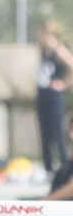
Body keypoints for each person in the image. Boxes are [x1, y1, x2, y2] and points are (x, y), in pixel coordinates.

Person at [36, 20, 73, 175]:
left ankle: (64, 166)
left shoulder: (59, 49)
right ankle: (48, 167)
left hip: (54, 96)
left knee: (57, 132)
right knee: (45, 132)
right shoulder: (44, 50)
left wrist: (63, 84)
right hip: (43, 94)